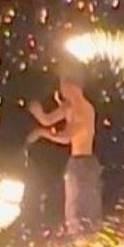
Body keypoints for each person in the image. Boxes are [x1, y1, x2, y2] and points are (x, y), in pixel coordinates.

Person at [26, 70, 103, 235]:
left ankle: (86, 241)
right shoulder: (69, 105)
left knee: (81, 206)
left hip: (84, 164)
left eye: (64, 86)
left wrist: (42, 133)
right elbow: (48, 119)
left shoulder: (83, 109)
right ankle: (79, 239)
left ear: (72, 87)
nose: (62, 90)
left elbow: (66, 137)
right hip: (76, 162)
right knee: (73, 205)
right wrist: (38, 112)